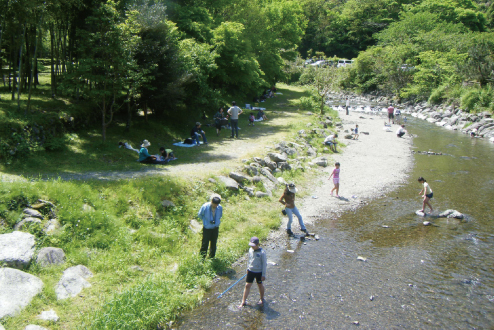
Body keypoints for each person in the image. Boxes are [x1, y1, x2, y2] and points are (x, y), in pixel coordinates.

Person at [238, 236, 267, 308]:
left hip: (259, 272)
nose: (252, 247)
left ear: (257, 244)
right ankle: (243, 301)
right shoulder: (250, 250)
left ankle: (261, 298)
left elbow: (264, 264)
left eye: (253, 245)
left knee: (260, 285)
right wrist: (247, 269)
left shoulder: (262, 252)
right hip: (251, 271)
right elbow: (249, 260)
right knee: (247, 285)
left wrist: (263, 275)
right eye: (251, 245)